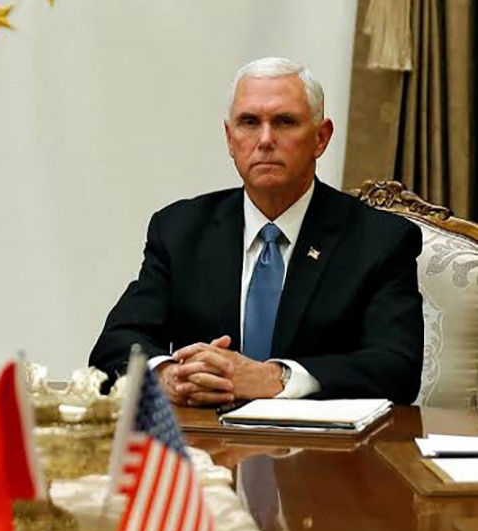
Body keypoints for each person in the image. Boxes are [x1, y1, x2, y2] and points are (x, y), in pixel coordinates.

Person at [89, 57, 423, 406]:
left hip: (321, 452)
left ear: (321, 138)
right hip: (204, 448)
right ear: (230, 138)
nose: (265, 140)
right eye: (249, 122)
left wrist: (276, 378)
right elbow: (114, 344)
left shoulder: (380, 239)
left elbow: (396, 367)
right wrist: (168, 376)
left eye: (284, 122)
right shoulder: (180, 230)